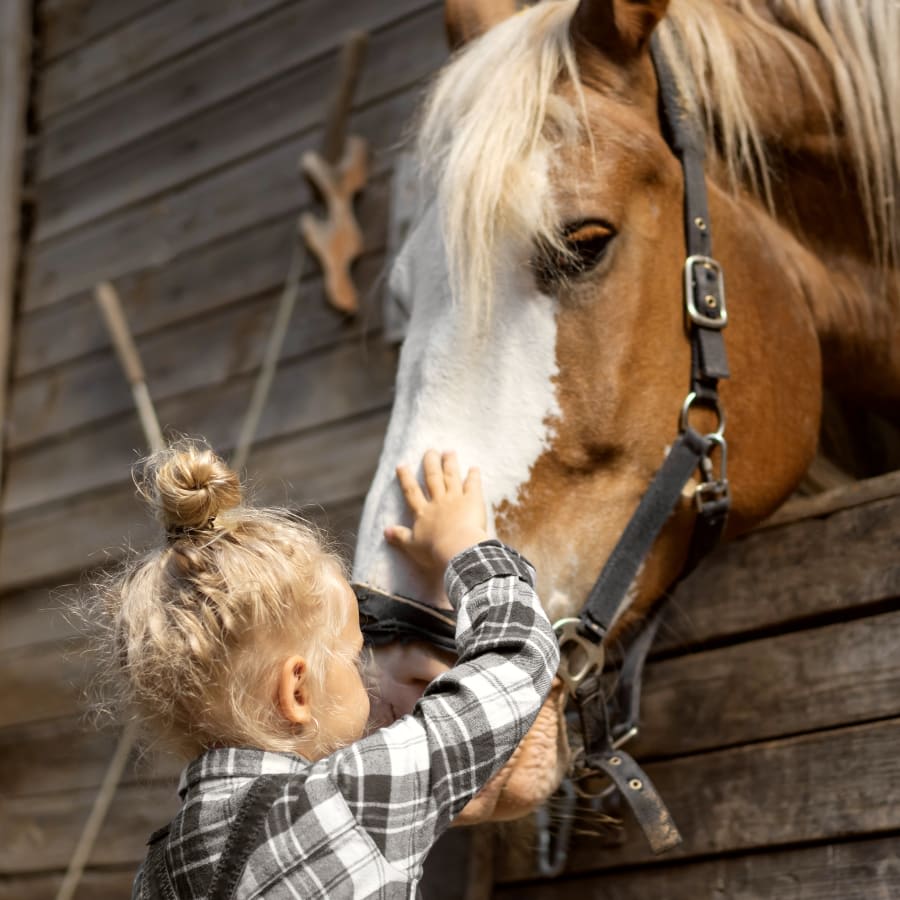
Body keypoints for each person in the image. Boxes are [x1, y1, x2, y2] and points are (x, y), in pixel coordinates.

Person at [93, 440, 559, 899]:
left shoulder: (155, 875)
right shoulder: (350, 798)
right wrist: (465, 544)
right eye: (354, 657)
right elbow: (518, 657)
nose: (367, 677)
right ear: (297, 692)